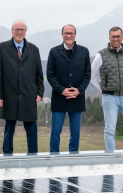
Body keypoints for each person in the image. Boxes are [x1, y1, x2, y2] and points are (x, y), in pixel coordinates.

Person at [0, 21, 44, 154]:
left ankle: (33, 157)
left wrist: (40, 92)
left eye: (22, 30)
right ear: (12, 31)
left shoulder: (34, 49)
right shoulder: (2, 48)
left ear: (25, 32)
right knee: (9, 129)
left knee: (32, 129)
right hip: (9, 95)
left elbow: (39, 74)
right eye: (17, 29)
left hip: (29, 95)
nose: (19, 32)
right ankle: (7, 156)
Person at [90, 26, 123, 152]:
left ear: (122, 37)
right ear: (109, 38)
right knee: (110, 130)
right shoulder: (101, 55)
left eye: (118, 36)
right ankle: (111, 158)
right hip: (109, 97)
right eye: (113, 36)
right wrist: (102, 87)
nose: (116, 39)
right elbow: (91, 74)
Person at [46, 24, 91, 152]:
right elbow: (50, 75)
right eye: (66, 33)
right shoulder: (54, 52)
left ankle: (73, 156)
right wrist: (61, 90)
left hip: (77, 98)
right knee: (55, 131)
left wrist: (79, 90)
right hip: (59, 97)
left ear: (75, 35)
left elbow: (87, 75)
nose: (69, 35)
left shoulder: (84, 51)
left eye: (71, 33)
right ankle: (53, 156)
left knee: (75, 132)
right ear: (62, 35)